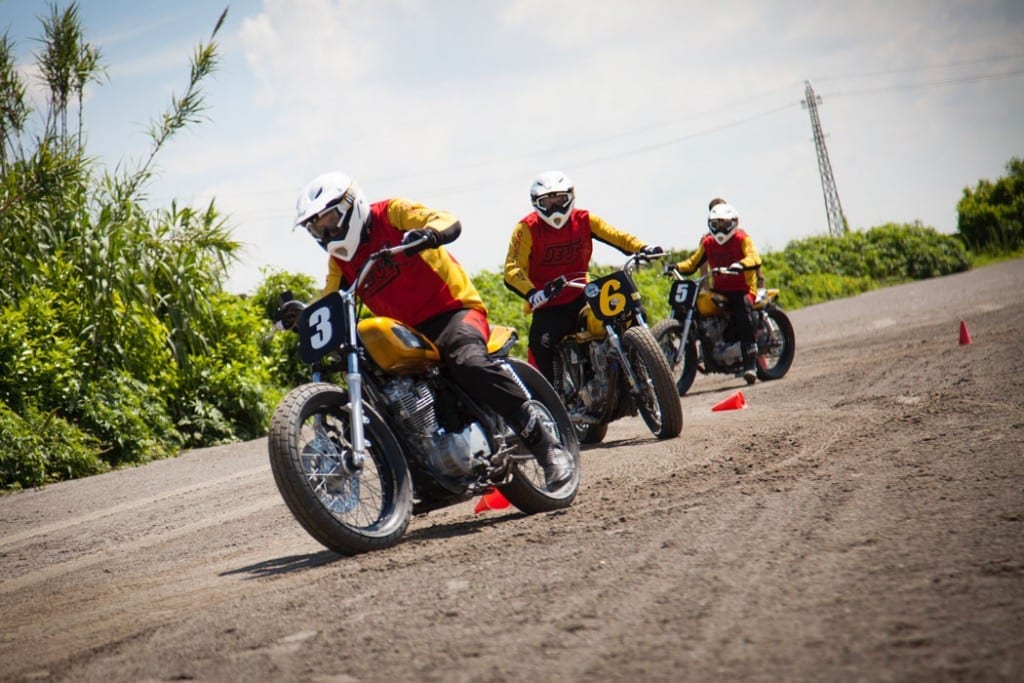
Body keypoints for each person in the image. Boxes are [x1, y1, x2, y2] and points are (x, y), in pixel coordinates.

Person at [283, 171, 573, 489]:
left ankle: (547, 447)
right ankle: (424, 477)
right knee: (381, 388)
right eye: (317, 229)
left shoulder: (391, 214)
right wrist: (305, 315)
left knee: (468, 362)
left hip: (453, 312)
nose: (326, 233)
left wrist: (430, 233)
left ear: (352, 206)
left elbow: (443, 218)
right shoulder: (341, 264)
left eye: (329, 221)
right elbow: (332, 300)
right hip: (406, 332)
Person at [503, 170, 663, 384]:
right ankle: (554, 403)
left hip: (584, 294)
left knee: (629, 311)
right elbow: (512, 268)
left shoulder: (586, 219)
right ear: (536, 203)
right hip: (548, 302)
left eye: (560, 200)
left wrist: (642, 247)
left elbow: (617, 236)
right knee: (539, 346)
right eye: (548, 202)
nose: (555, 207)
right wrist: (533, 294)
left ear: (571, 197)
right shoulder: (526, 228)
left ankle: (640, 369)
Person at [666, 201, 762, 384]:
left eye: (724, 224)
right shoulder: (708, 242)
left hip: (742, 289)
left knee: (742, 314)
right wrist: (675, 266)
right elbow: (693, 263)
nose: (720, 228)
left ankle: (750, 363)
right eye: (716, 224)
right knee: (697, 310)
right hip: (720, 289)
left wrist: (741, 265)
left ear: (733, 223)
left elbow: (754, 258)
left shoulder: (743, 239)